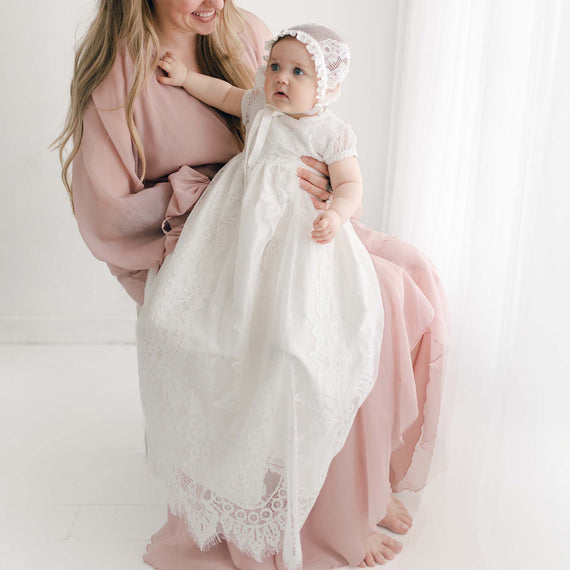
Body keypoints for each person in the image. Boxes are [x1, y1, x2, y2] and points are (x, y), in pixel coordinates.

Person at [53, 1, 447, 568]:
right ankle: (328, 517)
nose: (214, 2)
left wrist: (323, 194)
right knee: (333, 319)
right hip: (208, 244)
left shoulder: (250, 36)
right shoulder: (122, 78)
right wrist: (202, 199)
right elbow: (108, 213)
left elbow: (309, 140)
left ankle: (358, 484)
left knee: (409, 277)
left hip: (292, 225)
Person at [137, 23, 385, 570]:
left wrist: (334, 214)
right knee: (183, 318)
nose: (281, 79)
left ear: (326, 87)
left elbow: (351, 186)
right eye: (276, 66)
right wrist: (183, 78)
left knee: (288, 331)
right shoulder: (259, 111)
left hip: (292, 238)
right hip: (235, 234)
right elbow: (225, 94)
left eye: (299, 72)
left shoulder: (330, 131)